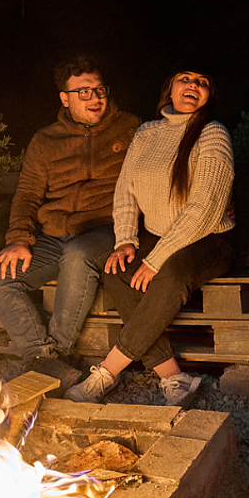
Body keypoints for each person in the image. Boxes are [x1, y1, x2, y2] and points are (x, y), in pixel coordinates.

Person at [65, 67, 235, 405]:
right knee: (116, 269)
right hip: (158, 238)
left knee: (169, 277)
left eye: (202, 82)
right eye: (185, 79)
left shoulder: (213, 133)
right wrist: (126, 240)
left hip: (209, 240)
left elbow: (205, 208)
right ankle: (174, 377)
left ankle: (106, 372)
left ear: (208, 95)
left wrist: (155, 261)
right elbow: (125, 190)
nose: (193, 86)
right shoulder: (146, 133)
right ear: (169, 89)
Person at [0, 55, 139, 380]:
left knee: (78, 254)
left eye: (99, 90)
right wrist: (18, 240)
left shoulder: (129, 129)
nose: (95, 98)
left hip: (104, 230)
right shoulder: (46, 141)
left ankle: (60, 350)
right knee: (0, 275)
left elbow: (159, 167)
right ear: (65, 98)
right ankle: (42, 357)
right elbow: (27, 195)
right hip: (54, 235)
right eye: (83, 92)